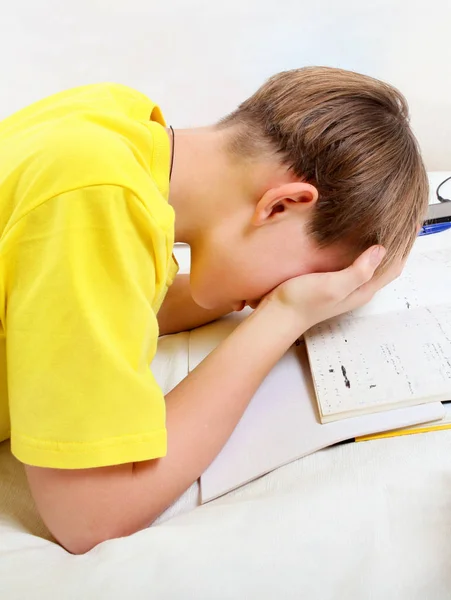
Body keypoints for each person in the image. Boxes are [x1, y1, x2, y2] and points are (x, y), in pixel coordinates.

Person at [0, 67, 428, 554]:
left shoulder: (110, 120)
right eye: (307, 275)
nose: (290, 289)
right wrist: (282, 319)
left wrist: (241, 295)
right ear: (283, 204)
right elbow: (90, 515)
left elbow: (79, 312)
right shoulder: (95, 200)